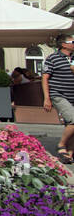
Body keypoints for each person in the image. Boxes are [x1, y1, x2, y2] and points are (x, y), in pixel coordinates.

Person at [41, 35, 74, 166]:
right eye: (73, 41)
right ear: (63, 44)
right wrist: (47, 98)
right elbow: (45, 78)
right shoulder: (53, 58)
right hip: (58, 94)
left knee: (70, 125)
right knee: (73, 119)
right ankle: (61, 144)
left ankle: (69, 154)